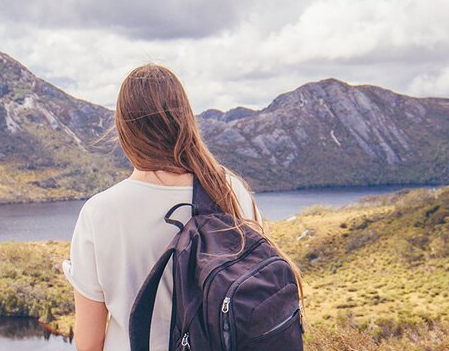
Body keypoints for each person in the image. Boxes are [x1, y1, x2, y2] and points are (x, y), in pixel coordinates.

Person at [62, 63, 302, 351]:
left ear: (124, 130)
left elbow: (89, 343)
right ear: (186, 119)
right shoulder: (229, 189)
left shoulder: (99, 213)